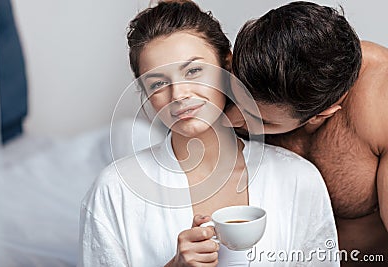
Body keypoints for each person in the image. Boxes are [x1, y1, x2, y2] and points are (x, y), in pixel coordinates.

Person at [78, 1, 339, 266]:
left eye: (193, 71)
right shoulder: (114, 190)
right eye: (158, 83)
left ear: (226, 65)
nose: (178, 95)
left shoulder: (298, 178)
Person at [224, 1, 388, 266]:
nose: (231, 119)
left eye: (260, 119)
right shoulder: (237, 69)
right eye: (236, 99)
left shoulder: (380, 104)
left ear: (322, 114)